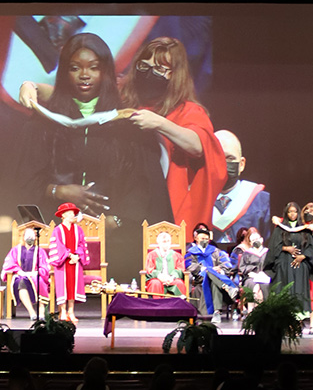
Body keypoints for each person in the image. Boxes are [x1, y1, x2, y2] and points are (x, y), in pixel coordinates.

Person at [16, 32, 172, 229]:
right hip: (53, 232)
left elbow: (142, 188)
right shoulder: (44, 123)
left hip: (115, 239)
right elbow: (23, 181)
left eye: (94, 67)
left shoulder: (125, 125)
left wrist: (115, 222)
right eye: (74, 68)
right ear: (64, 72)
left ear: (105, 71)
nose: (84, 75)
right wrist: (58, 191)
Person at [120, 37, 226, 239]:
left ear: (175, 75)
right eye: (145, 65)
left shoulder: (188, 111)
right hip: (125, 210)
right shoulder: (124, 102)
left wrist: (160, 123)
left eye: (160, 69)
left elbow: (198, 146)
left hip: (167, 215)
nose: (150, 73)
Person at [273, 202, 313, 334]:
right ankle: (290, 324)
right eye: (306, 210)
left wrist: (304, 255)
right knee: (292, 291)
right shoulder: (291, 226)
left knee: (311, 294)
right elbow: (279, 229)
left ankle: (311, 324)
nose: (308, 213)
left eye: (312, 211)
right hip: (291, 264)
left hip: (312, 263)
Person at [267, 202, 313, 329]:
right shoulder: (280, 229)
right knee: (285, 291)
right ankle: (286, 324)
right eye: (290, 212)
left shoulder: (305, 229)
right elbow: (274, 246)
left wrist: (303, 256)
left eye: (295, 212)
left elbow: (310, 247)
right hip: (284, 265)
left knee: (299, 291)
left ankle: (298, 323)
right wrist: (287, 248)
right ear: (286, 213)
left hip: (300, 266)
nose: (293, 214)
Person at [211, 130, 271, 242]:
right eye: (216, 157)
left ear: (241, 164)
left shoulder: (262, 201)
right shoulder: (197, 201)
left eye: (230, 158)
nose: (223, 164)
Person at [48, 202, 90, 323]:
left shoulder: (79, 230)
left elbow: (82, 244)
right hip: (63, 263)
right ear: (64, 215)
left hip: (75, 263)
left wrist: (77, 255)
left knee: (72, 286)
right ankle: (63, 311)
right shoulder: (57, 230)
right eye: (71, 213)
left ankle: (71, 311)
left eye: (73, 213)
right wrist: (69, 255)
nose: (73, 215)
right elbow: (58, 246)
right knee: (63, 287)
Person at [185, 228, 237, 323]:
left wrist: (220, 269)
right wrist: (205, 269)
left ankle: (217, 312)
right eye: (202, 238)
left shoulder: (216, 251)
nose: (204, 240)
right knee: (208, 271)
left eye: (206, 239)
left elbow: (227, 264)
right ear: (196, 238)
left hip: (215, 279)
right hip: (200, 279)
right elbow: (189, 265)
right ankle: (226, 287)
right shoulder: (191, 252)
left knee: (213, 282)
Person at [1, 227, 50, 320]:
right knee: (20, 282)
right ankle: (32, 312)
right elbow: (10, 263)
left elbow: (44, 266)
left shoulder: (40, 251)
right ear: (23, 237)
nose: (30, 238)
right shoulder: (16, 250)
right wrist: (20, 272)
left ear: (35, 238)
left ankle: (41, 310)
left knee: (40, 282)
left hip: (35, 275)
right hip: (21, 275)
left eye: (32, 236)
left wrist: (35, 272)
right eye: (28, 235)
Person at [238, 229, 270, 315]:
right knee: (254, 286)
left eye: (257, 239)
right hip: (251, 276)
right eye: (253, 240)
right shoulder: (247, 253)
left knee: (264, 286)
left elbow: (272, 266)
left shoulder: (268, 252)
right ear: (251, 243)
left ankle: (264, 312)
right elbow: (242, 267)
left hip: (265, 277)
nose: (256, 241)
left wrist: (265, 273)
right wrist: (252, 271)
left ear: (262, 240)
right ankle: (251, 312)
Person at [144, 232, 186, 298]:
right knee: (155, 284)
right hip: (157, 279)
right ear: (158, 243)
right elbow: (150, 269)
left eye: (168, 241)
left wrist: (172, 277)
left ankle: (179, 307)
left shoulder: (177, 255)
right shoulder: (152, 255)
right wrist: (160, 276)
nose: (166, 243)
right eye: (164, 241)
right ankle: (157, 306)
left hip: (172, 279)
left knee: (179, 283)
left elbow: (180, 269)